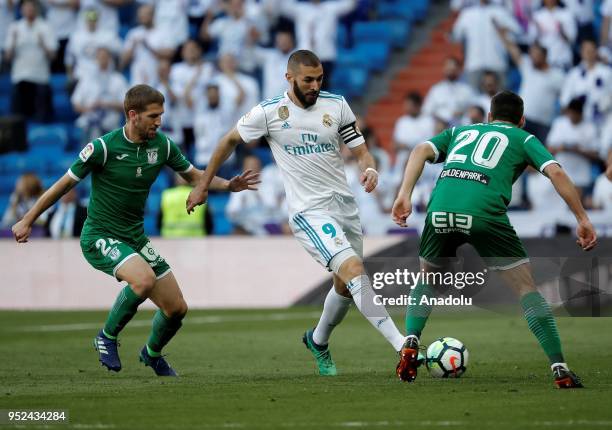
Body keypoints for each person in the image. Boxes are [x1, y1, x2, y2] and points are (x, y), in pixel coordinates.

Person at [186, 50, 409, 377]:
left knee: (345, 286)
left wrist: (370, 168)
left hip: (345, 208)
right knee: (354, 270)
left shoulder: (337, 105)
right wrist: (204, 184)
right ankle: (402, 345)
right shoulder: (270, 112)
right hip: (309, 211)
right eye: (308, 79)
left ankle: (317, 340)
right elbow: (228, 140)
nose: (315, 85)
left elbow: (360, 150)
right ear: (289, 78)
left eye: (319, 78)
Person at [12, 84, 259, 377]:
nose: (159, 121)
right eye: (153, 115)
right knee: (142, 280)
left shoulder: (163, 146)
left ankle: (152, 353)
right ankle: (106, 336)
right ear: (133, 115)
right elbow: (64, 184)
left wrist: (228, 185)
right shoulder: (103, 147)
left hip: (134, 238)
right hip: (100, 235)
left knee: (177, 308)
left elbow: (193, 175)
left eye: (161, 115)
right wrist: (28, 218)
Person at [391, 90, 597, 388]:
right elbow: (556, 172)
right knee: (527, 288)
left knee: (428, 280)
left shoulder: (461, 131)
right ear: (522, 120)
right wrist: (582, 218)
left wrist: (403, 194)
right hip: (483, 213)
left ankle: (411, 340)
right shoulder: (524, 138)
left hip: (440, 210)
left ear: (489, 116)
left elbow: (419, 150)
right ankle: (560, 369)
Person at [4, 0, 57, 122]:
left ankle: (43, 127)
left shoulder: (45, 27)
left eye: (31, 7)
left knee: (43, 96)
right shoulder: (14, 28)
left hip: (40, 76)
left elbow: (53, 56)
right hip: (20, 76)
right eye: (26, 7)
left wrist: (43, 44)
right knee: (16, 100)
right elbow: (7, 58)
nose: (29, 10)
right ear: (21, 10)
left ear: (36, 9)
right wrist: (13, 41)